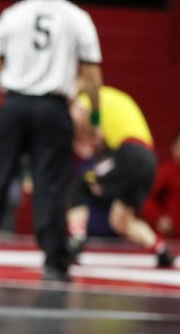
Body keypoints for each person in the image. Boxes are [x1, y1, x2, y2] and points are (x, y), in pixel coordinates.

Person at [0, 0, 103, 282]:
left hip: (14, 106)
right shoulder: (77, 17)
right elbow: (92, 75)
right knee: (51, 186)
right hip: (53, 109)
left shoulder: (12, 15)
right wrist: (94, 120)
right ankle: (54, 263)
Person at [66, 85, 174, 268]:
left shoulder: (88, 98)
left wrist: (76, 142)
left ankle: (76, 241)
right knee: (120, 220)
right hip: (148, 161)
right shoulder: (117, 98)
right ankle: (161, 250)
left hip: (128, 154)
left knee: (80, 185)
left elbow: (77, 120)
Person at [143, 131, 180, 239]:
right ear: (174, 148)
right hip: (171, 237)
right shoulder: (166, 171)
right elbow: (145, 197)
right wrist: (159, 218)